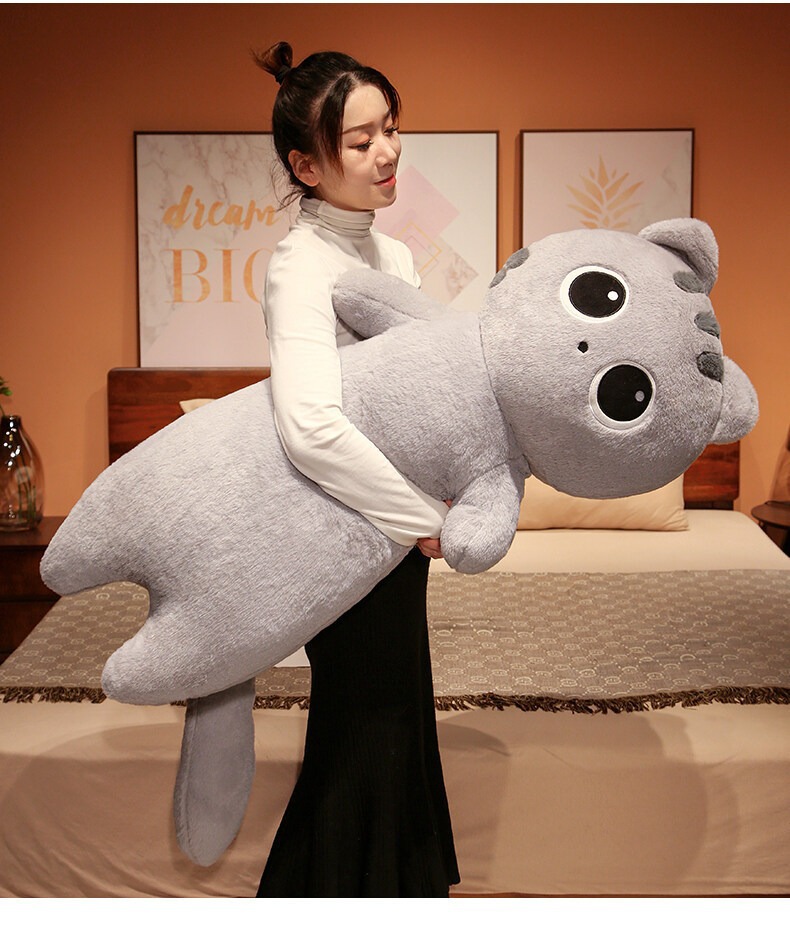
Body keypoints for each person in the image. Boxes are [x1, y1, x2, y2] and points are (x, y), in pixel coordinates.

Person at [251, 42, 460, 898]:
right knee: (361, 731)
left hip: (393, 541)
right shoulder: (300, 267)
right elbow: (308, 427)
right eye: (361, 140)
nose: (388, 152)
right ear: (306, 164)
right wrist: (424, 518)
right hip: (342, 533)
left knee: (397, 718)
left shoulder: (392, 257)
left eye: (392, 129)